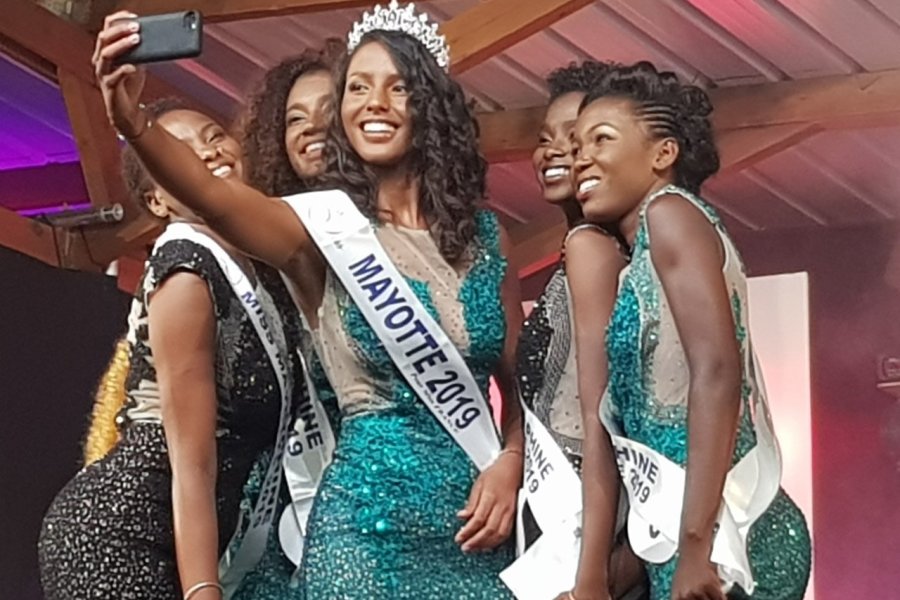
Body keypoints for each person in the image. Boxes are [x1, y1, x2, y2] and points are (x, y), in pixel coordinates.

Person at [91, 1, 525, 597]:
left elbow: (517, 382)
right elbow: (213, 199)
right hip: (363, 535)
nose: (374, 102)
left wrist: (510, 460)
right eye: (358, 88)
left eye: (398, 87)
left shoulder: (487, 238)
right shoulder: (320, 233)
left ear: (431, 107)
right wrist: (132, 119)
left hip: (474, 526)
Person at [38, 98, 307, 600]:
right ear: (158, 202)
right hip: (122, 536)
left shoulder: (265, 271)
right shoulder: (186, 272)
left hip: (188, 533)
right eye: (180, 151)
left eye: (212, 135)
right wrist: (203, 589)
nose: (209, 152)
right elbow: (192, 459)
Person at [565, 61, 811, 600]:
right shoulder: (637, 257)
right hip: (678, 534)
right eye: (576, 144)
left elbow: (718, 373)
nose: (581, 156)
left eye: (601, 139)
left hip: (729, 537)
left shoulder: (670, 213)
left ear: (663, 154)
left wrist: (697, 545)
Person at [518, 61, 646, 600]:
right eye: (544, 139)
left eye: (575, 137)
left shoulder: (595, 251)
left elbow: (602, 417)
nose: (554, 151)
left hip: (583, 524)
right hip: (563, 516)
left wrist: (594, 570)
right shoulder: (585, 251)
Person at [231, 46, 343, 599]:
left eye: (327, 110)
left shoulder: (395, 234)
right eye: (294, 118)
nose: (311, 128)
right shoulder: (261, 248)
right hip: (283, 495)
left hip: (384, 482)